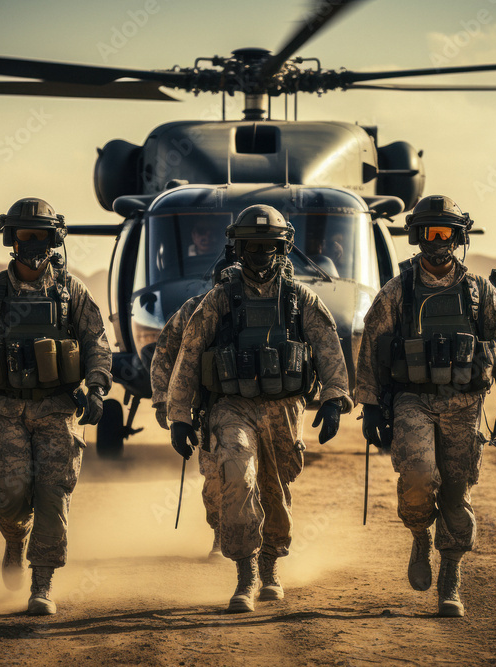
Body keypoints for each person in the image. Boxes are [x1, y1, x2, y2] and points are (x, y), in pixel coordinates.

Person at [166, 205, 353, 613]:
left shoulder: (300, 299)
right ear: (239, 247)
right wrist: (178, 414)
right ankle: (246, 576)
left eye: (269, 245)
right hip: (231, 408)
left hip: (284, 411)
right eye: (253, 245)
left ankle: (271, 569)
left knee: (275, 493)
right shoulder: (219, 300)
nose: (261, 253)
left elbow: (327, 346)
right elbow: (189, 352)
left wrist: (336, 397)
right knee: (238, 475)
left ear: (283, 247)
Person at [355, 195, 496, 618]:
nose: (436, 241)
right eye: (429, 232)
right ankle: (418, 535)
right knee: (416, 477)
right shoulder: (398, 291)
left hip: (465, 404)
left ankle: (450, 579)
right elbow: (372, 345)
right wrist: (371, 404)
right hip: (413, 400)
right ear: (416, 236)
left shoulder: (479, 293)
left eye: (445, 232)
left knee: (455, 490)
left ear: (458, 236)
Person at [0, 197, 112, 616]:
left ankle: (42, 584)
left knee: (53, 495)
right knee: (10, 494)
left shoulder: (70, 291)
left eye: (41, 235)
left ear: (54, 239)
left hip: (58, 411)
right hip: (5, 413)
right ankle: (15, 541)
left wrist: (96, 389)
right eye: (25, 235)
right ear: (12, 239)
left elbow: (97, 341)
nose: (33, 244)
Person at [149, 254, 236, 558]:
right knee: (214, 481)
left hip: (263, 408)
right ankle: (220, 533)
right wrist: (167, 403)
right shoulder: (194, 310)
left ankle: (255, 546)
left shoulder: (279, 304)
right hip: (212, 410)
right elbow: (166, 354)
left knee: (255, 479)